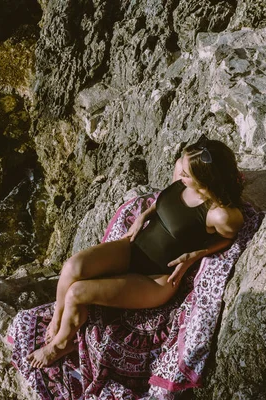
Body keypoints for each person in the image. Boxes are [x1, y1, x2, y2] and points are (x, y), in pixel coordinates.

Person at [26, 138, 245, 368]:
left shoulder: (220, 215)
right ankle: (58, 318)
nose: (180, 170)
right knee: (72, 267)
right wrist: (145, 215)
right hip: (135, 248)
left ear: (204, 180)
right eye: (182, 163)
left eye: (187, 173)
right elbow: (165, 200)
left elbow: (228, 238)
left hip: (157, 278)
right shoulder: (182, 171)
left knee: (76, 293)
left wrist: (196, 255)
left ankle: (61, 345)